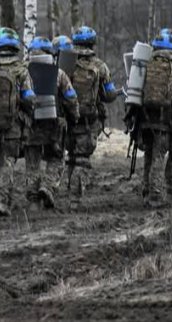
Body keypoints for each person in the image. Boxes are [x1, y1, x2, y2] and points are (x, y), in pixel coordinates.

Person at [132, 32, 172, 207]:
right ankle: (158, 195)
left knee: (150, 155)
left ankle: (146, 191)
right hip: (167, 120)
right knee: (164, 155)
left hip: (145, 119)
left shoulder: (144, 62)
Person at [0, 28, 35, 216]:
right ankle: (1, 201)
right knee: (8, 163)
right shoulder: (21, 70)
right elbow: (29, 98)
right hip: (13, 125)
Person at [25, 36, 79, 210]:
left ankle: (33, 200)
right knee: (56, 159)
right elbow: (71, 97)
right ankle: (47, 187)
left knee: (32, 163)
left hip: (31, 126)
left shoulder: (23, 71)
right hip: (54, 125)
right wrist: (74, 116)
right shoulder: (59, 73)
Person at [65, 26, 117, 206]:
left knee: (70, 158)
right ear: (93, 43)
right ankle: (74, 199)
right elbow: (109, 95)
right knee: (82, 160)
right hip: (88, 121)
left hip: (67, 119)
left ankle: (67, 193)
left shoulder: (64, 61)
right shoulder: (100, 66)